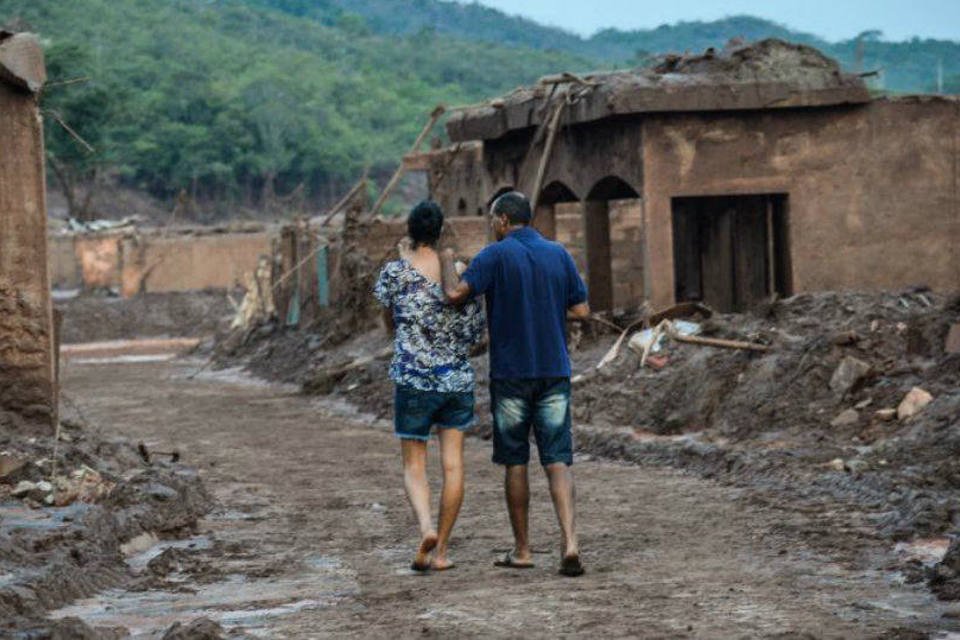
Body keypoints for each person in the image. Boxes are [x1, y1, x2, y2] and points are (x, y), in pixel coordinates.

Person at [440, 191, 590, 577]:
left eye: (493, 219)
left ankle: (522, 550)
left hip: (511, 376)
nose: (493, 226)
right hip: (554, 370)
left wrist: (446, 259)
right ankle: (570, 543)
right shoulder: (559, 253)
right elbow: (582, 310)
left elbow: (455, 294)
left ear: (504, 220)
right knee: (557, 459)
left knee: (516, 461)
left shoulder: (495, 254)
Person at [374, 200, 485, 572]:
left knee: (414, 465)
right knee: (453, 466)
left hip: (413, 380)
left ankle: (425, 527)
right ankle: (441, 552)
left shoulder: (394, 273)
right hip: (456, 380)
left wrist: (409, 339)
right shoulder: (460, 273)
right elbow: (473, 331)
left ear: (410, 231)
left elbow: (389, 321)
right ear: (441, 231)